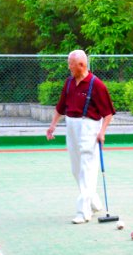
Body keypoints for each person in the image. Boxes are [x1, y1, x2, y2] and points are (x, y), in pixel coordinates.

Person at [46, 50, 115, 224]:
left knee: (87, 168)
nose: (68, 67)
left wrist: (102, 132)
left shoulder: (97, 84)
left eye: (71, 64)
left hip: (89, 127)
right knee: (76, 169)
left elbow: (108, 113)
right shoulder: (69, 82)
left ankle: (83, 212)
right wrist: (53, 126)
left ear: (82, 65)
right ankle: (92, 199)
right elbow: (61, 107)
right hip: (71, 126)